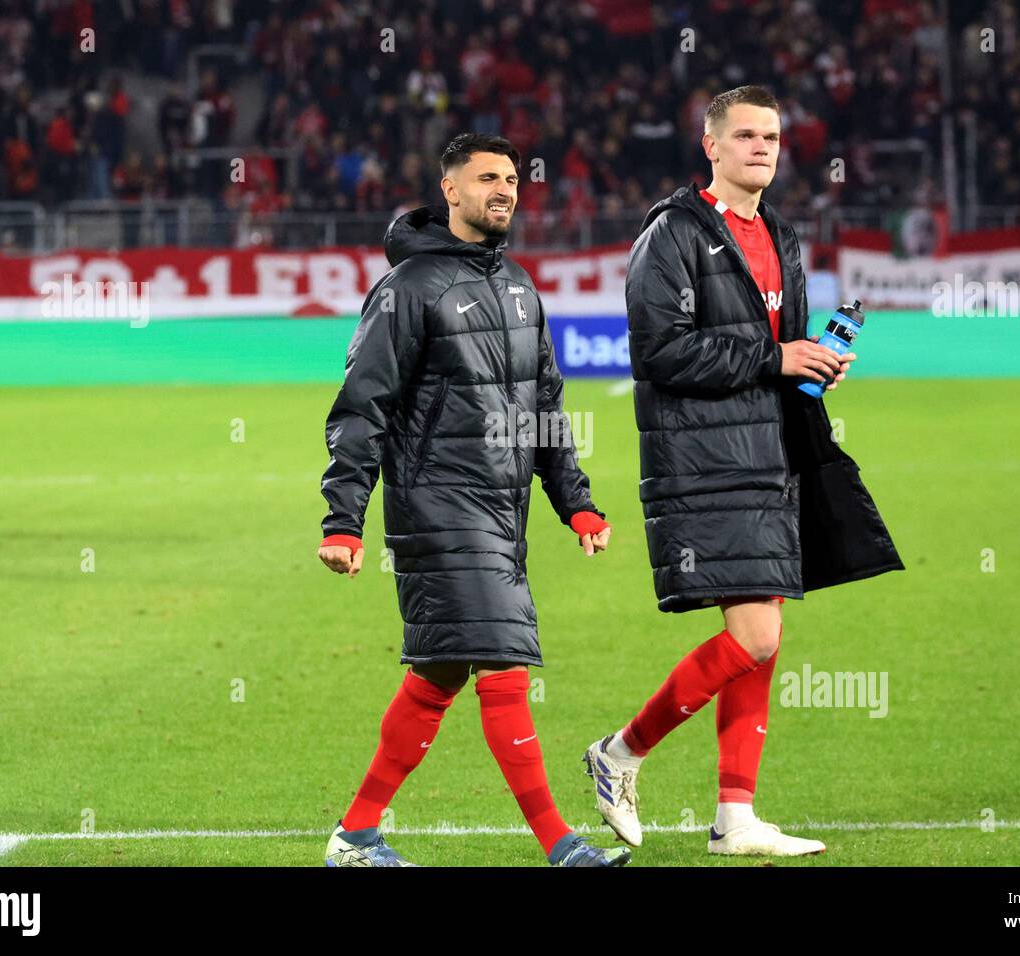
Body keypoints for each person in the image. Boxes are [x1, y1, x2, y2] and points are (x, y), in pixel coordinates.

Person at [585, 85, 904, 857]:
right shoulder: (673, 235)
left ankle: (736, 816)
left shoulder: (782, 236)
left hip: (770, 450)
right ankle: (619, 753)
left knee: (765, 631)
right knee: (757, 633)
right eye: (747, 136)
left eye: (772, 137)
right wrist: (774, 356)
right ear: (712, 146)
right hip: (702, 455)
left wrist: (814, 364)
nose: (763, 147)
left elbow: (780, 352)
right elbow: (658, 351)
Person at [318, 133, 627, 867]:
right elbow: (364, 405)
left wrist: (575, 501)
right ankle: (562, 847)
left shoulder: (519, 285)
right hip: (438, 506)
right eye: (488, 178)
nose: (505, 190)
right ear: (449, 190)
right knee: (503, 663)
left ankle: (356, 834)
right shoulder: (407, 289)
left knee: (439, 674)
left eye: (513, 178)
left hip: (503, 513)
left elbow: (545, 401)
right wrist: (343, 518)